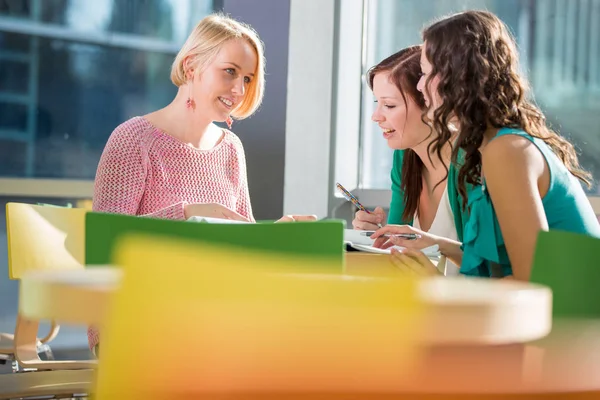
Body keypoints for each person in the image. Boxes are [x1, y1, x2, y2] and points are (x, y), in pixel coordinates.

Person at [89, 13, 311, 354]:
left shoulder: (231, 150)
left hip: (210, 318)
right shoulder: (133, 140)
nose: (239, 90)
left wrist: (277, 236)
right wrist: (189, 214)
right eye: (230, 72)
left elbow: (243, 248)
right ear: (192, 66)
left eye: (248, 79)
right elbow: (105, 246)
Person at [374, 10, 600, 280]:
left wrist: (438, 285)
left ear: (457, 77)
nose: (420, 87)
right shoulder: (493, 145)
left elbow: (532, 282)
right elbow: (500, 264)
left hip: (575, 317)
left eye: (425, 74)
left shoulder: (507, 151)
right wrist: (437, 244)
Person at [352, 46, 470, 276]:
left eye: (389, 105)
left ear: (429, 101)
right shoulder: (405, 157)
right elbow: (398, 252)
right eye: (377, 103)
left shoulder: (470, 163)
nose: (376, 116)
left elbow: (489, 270)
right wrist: (379, 234)